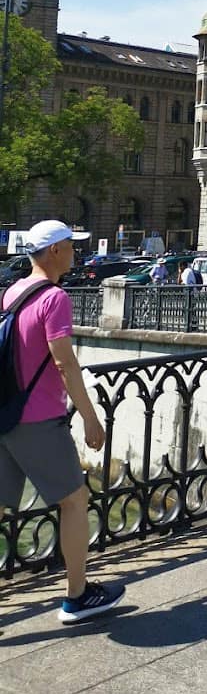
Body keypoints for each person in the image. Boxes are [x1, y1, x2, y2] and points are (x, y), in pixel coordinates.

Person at [0, 220, 125, 623]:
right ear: (54, 250)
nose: (76, 252)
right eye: (71, 245)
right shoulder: (54, 298)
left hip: (4, 415)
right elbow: (64, 362)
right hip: (38, 419)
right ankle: (77, 596)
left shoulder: (13, 291)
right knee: (74, 501)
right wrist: (90, 418)